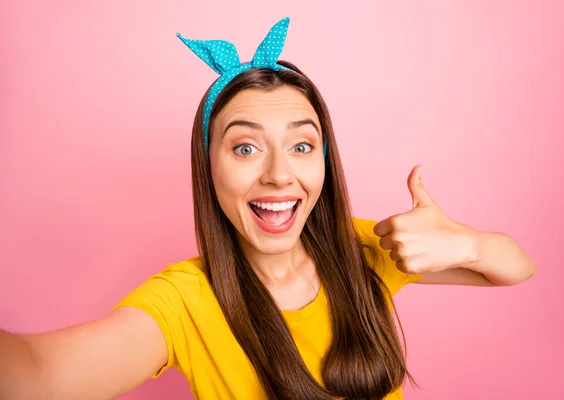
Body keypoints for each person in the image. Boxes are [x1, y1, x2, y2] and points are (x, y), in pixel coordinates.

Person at [0, 17, 535, 400]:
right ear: (207, 165)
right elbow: (36, 374)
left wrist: (467, 242)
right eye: (245, 147)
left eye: (302, 146)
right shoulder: (184, 302)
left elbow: (515, 268)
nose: (280, 174)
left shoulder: (364, 248)